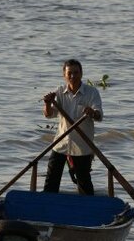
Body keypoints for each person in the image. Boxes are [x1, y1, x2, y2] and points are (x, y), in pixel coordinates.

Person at [42, 59, 103, 196]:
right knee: (51, 180)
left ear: (81, 74)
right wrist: (47, 103)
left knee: (84, 183)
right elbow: (49, 114)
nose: (73, 76)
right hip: (61, 143)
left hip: (82, 145)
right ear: (64, 75)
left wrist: (92, 113)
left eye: (76, 73)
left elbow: (99, 116)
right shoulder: (59, 91)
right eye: (69, 73)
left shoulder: (91, 92)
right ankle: (47, 207)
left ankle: (87, 210)